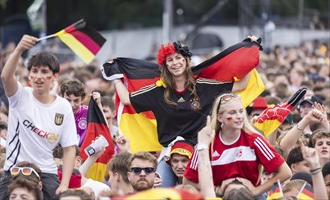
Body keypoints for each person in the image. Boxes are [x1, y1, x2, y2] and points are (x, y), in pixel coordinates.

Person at [111, 37, 259, 187]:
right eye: (169, 60)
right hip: (170, 156)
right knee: (161, 192)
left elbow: (241, 85)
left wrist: (250, 54)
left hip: (201, 152)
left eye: (178, 58)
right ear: (165, 65)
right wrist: (115, 76)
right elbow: (126, 99)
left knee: (209, 191)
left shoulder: (203, 86)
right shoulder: (157, 91)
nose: (175, 63)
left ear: (187, 60)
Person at [0, 35, 77, 199]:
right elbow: (6, 77)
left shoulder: (63, 106)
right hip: (15, 170)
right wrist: (19, 49)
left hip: (47, 173)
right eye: (34, 71)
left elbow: (69, 149)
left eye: (44, 72)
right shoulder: (20, 95)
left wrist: (64, 185)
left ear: (55, 76)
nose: (38, 76)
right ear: (29, 75)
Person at [183, 93, 292, 198]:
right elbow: (187, 181)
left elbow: (285, 172)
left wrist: (257, 190)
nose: (239, 116)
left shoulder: (255, 140)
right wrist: (216, 190)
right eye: (232, 113)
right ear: (220, 117)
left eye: (241, 111)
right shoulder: (207, 143)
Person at [60, 79, 103, 147]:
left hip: (83, 155)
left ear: (82, 99)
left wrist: (99, 105)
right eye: (68, 100)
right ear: (62, 98)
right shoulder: (56, 113)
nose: (72, 105)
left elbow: (104, 130)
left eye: (76, 100)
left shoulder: (89, 113)